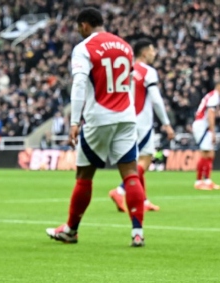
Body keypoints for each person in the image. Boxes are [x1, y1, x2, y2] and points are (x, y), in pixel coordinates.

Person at [46, 7, 146, 247]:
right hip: (126, 116)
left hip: (99, 117)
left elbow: (80, 83)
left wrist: (73, 121)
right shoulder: (125, 46)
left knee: (84, 176)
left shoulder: (83, 48)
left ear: (84, 25)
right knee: (130, 173)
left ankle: (70, 230)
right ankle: (137, 232)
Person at [108, 38, 175, 212]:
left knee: (135, 160)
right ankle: (120, 189)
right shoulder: (148, 71)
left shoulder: (126, 69)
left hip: (123, 118)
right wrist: (166, 124)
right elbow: (156, 100)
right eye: (152, 50)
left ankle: (143, 201)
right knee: (145, 159)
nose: (154, 53)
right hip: (141, 121)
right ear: (144, 53)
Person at [192, 82, 220, 190]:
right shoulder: (214, 97)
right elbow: (210, 114)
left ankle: (207, 180)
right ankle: (199, 181)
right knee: (205, 153)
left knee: (210, 154)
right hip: (202, 126)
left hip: (202, 125)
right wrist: (212, 132)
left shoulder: (213, 96)